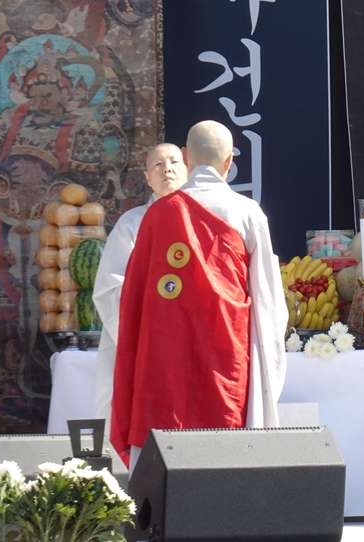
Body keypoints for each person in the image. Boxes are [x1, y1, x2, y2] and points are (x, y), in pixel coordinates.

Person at [110, 121, 288, 468]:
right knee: (225, 442)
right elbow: (268, 299)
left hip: (167, 354)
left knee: (168, 439)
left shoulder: (159, 213)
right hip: (227, 349)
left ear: (186, 158)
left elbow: (133, 298)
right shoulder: (247, 212)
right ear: (229, 161)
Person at [92, 143, 187, 425]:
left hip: (193, 340)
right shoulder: (131, 224)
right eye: (158, 164)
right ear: (147, 179)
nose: (167, 169)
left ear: (188, 169)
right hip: (147, 341)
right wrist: (152, 326)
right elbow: (110, 286)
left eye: (174, 162)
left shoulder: (206, 218)